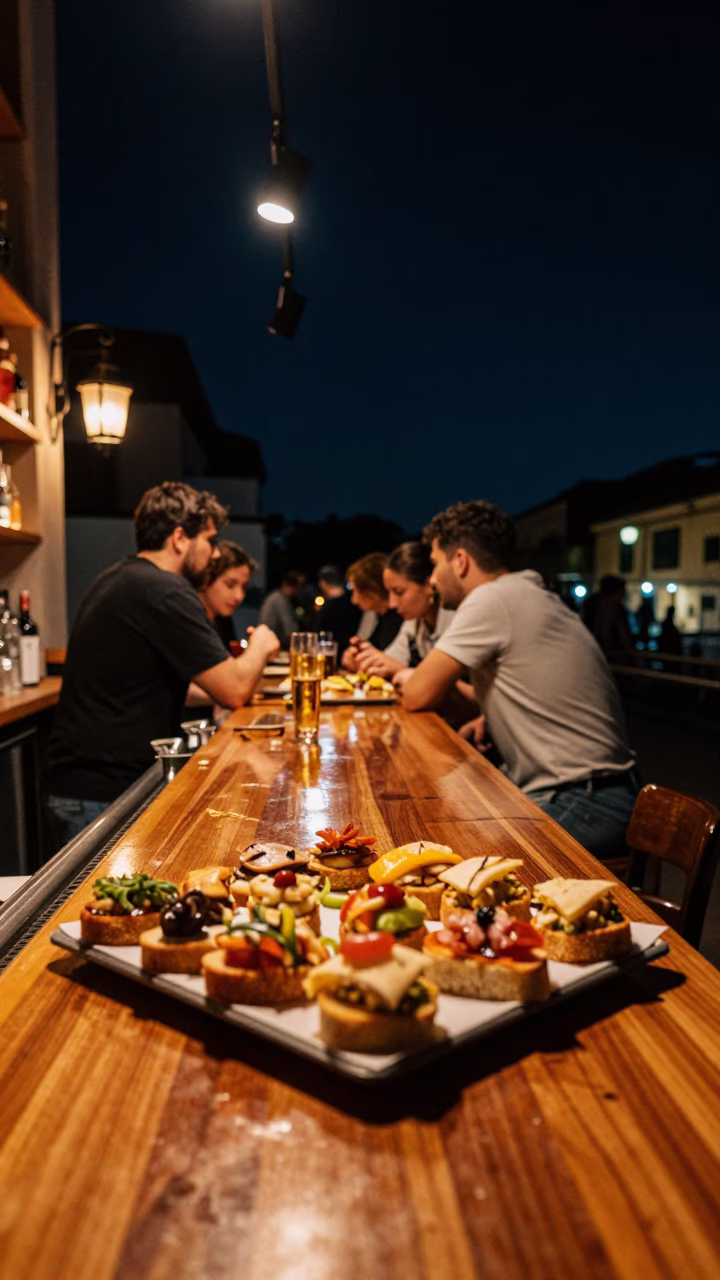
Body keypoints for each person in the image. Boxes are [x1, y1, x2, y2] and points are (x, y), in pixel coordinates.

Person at [398, 500, 638, 859]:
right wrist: (491, 719)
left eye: (434, 564)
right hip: (596, 791)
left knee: (447, 854)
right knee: (437, 828)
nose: (431, 580)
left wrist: (402, 674)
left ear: (460, 560)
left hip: (587, 801)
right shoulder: (525, 592)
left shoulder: (491, 599)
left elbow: (418, 694)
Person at [46, 482, 279, 847]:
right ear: (180, 537)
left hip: (87, 785)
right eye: (210, 540)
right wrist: (262, 646)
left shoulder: (122, 577)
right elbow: (234, 690)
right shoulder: (165, 590)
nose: (215, 554)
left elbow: (145, 684)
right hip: (103, 793)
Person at [353, 541, 453, 677]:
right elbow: (391, 660)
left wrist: (403, 671)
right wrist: (366, 659)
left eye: (399, 592)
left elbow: (446, 682)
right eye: (389, 593)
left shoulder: (455, 620)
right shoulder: (414, 623)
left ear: (429, 584)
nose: (392, 604)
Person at [341, 552, 402, 671]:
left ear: (372, 592)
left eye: (355, 591)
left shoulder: (403, 617)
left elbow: (394, 662)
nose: (353, 601)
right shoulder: (373, 615)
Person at [200, 541, 258, 649]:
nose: (239, 596)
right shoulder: (191, 620)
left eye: (244, 588)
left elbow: (229, 661)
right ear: (207, 579)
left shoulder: (222, 619)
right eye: (230, 585)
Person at [316, 564, 361, 657]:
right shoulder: (354, 604)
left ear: (323, 583)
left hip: (333, 659)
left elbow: (319, 636)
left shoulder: (328, 607)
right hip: (352, 655)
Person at [587, 575, 634, 659]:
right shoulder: (592, 607)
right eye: (621, 592)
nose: (624, 595)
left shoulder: (618, 610)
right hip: (596, 653)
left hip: (609, 653)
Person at [258, 571, 305, 650]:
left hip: (271, 642)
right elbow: (290, 630)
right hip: (271, 644)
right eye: (299, 586)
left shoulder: (282, 598)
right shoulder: (279, 600)